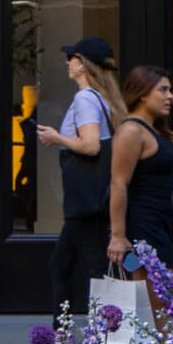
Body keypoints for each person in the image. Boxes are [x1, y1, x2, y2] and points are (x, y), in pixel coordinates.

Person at [34, 36, 124, 313]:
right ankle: (71, 338)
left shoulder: (85, 98)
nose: (67, 62)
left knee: (84, 268)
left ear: (83, 65)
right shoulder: (102, 98)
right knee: (66, 265)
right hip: (92, 199)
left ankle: (88, 337)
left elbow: (90, 144)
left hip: (84, 202)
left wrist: (56, 137)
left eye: (71, 58)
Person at [108, 64, 173, 275]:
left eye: (169, 90)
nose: (169, 96)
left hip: (162, 224)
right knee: (154, 290)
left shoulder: (159, 131)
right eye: (162, 90)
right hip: (141, 227)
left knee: (158, 292)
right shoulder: (131, 131)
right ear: (142, 94)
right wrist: (118, 236)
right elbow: (118, 182)